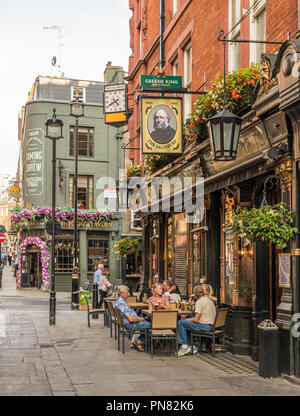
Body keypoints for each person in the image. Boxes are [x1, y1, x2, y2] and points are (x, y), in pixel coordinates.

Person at [177, 285, 216, 357]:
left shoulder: (199, 302)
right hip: (210, 325)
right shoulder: (209, 300)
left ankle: (185, 345)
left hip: (204, 326)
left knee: (180, 323)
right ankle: (192, 346)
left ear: (195, 294)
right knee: (186, 325)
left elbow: (196, 319)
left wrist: (186, 319)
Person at [115, 285, 151, 351]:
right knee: (151, 325)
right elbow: (131, 319)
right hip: (130, 324)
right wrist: (140, 319)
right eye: (127, 292)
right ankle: (140, 341)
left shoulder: (120, 301)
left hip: (128, 322)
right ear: (122, 294)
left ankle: (140, 341)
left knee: (147, 322)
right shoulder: (121, 303)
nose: (129, 294)